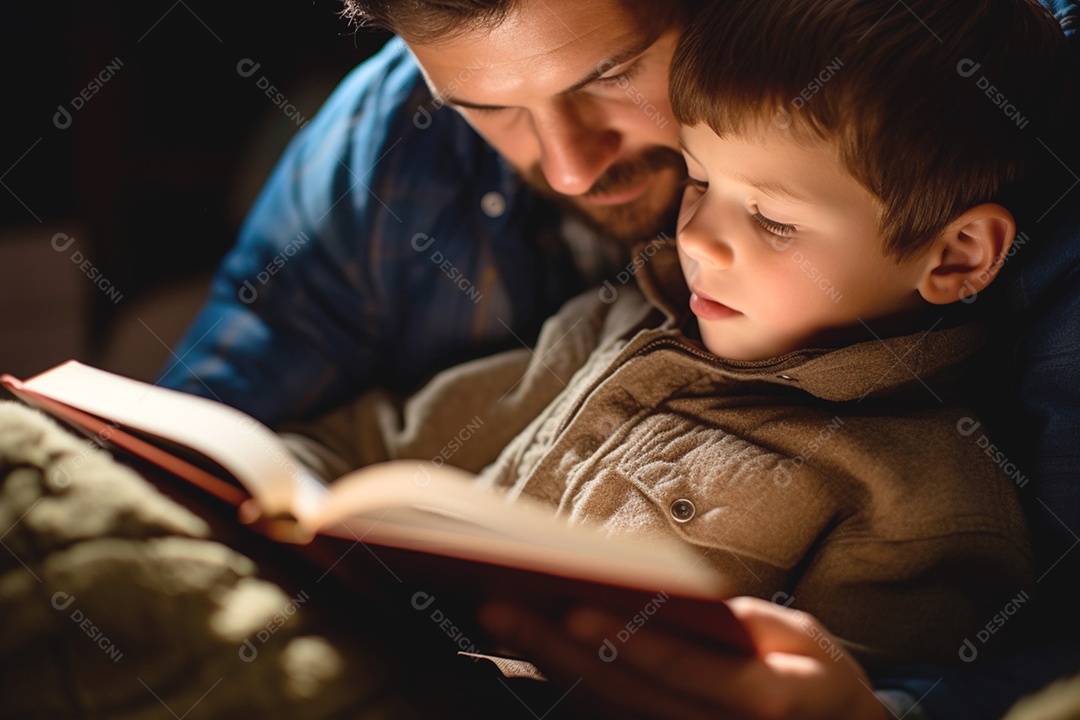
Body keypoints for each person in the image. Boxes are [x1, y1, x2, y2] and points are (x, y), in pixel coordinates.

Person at [153, 0, 1080, 718]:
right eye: (484, 108)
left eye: (611, 75)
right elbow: (241, 412)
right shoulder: (600, 315)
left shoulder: (924, 489)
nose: (566, 167)